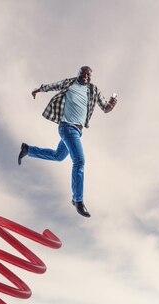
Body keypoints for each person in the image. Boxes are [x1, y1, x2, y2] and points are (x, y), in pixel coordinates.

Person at [18, 66, 118, 218]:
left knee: (58, 156)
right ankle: (77, 200)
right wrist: (37, 90)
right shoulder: (69, 84)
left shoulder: (93, 90)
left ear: (90, 77)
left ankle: (28, 150)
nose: (85, 76)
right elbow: (53, 86)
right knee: (79, 161)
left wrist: (112, 104)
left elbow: (105, 108)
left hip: (77, 131)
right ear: (78, 74)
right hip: (67, 127)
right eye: (82, 73)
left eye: (88, 75)